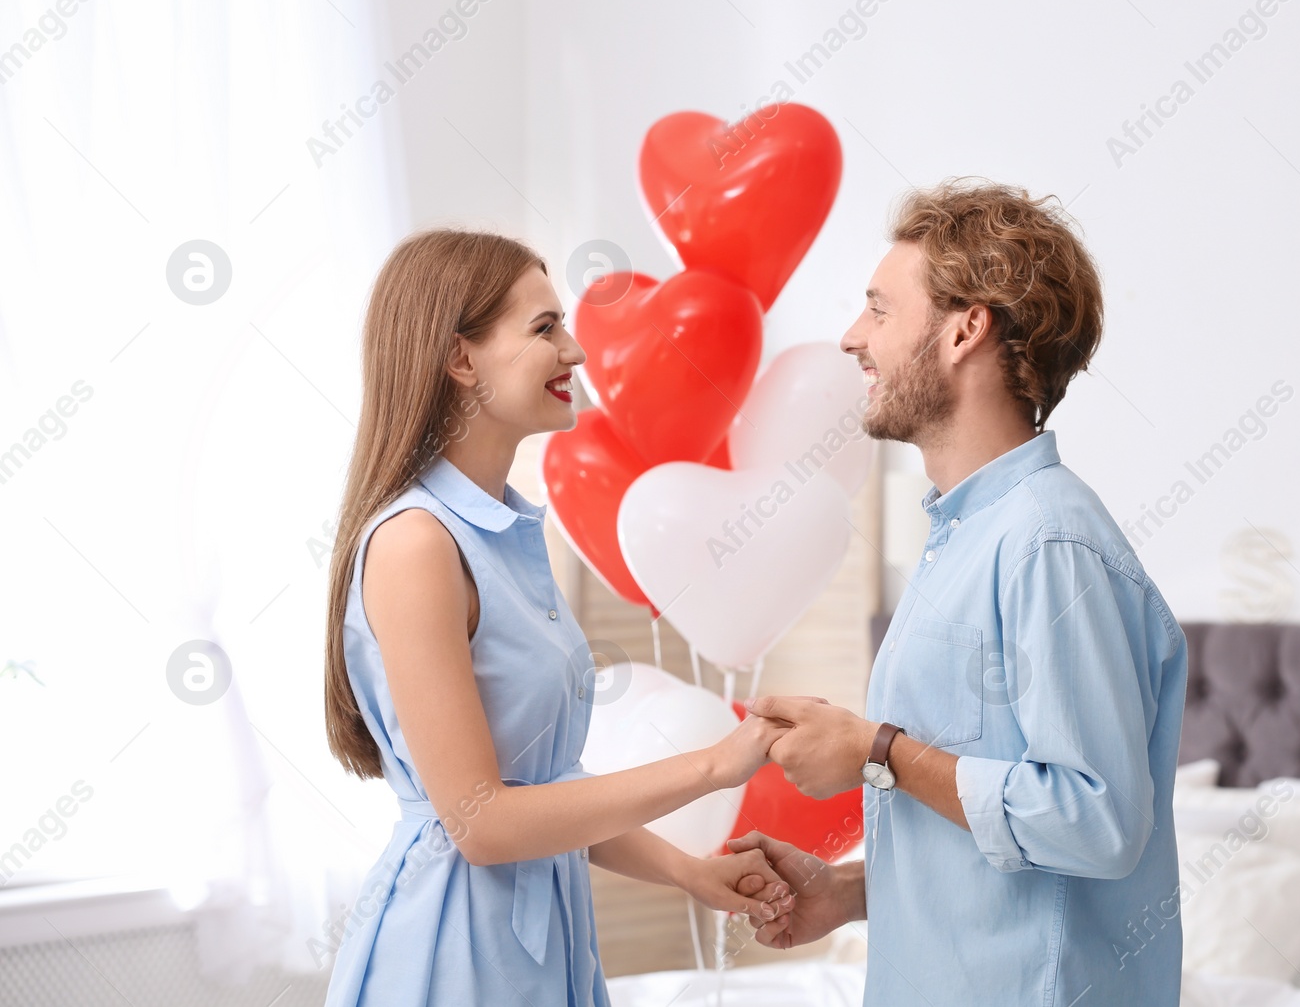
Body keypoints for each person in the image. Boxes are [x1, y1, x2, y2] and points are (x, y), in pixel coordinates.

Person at [731, 179, 1189, 1004]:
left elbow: (1097, 822)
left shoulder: (1048, 543)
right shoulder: (967, 539)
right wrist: (852, 893)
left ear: (965, 329)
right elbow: (1008, 833)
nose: (851, 338)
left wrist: (879, 750)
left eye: (878, 309)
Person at [320, 230, 793, 1006]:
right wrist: (714, 763)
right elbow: (484, 823)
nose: (574, 353)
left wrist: (690, 871)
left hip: (543, 937)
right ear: (459, 357)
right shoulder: (416, 544)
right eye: (545, 329)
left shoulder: (503, 533)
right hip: (456, 953)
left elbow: (549, 791)